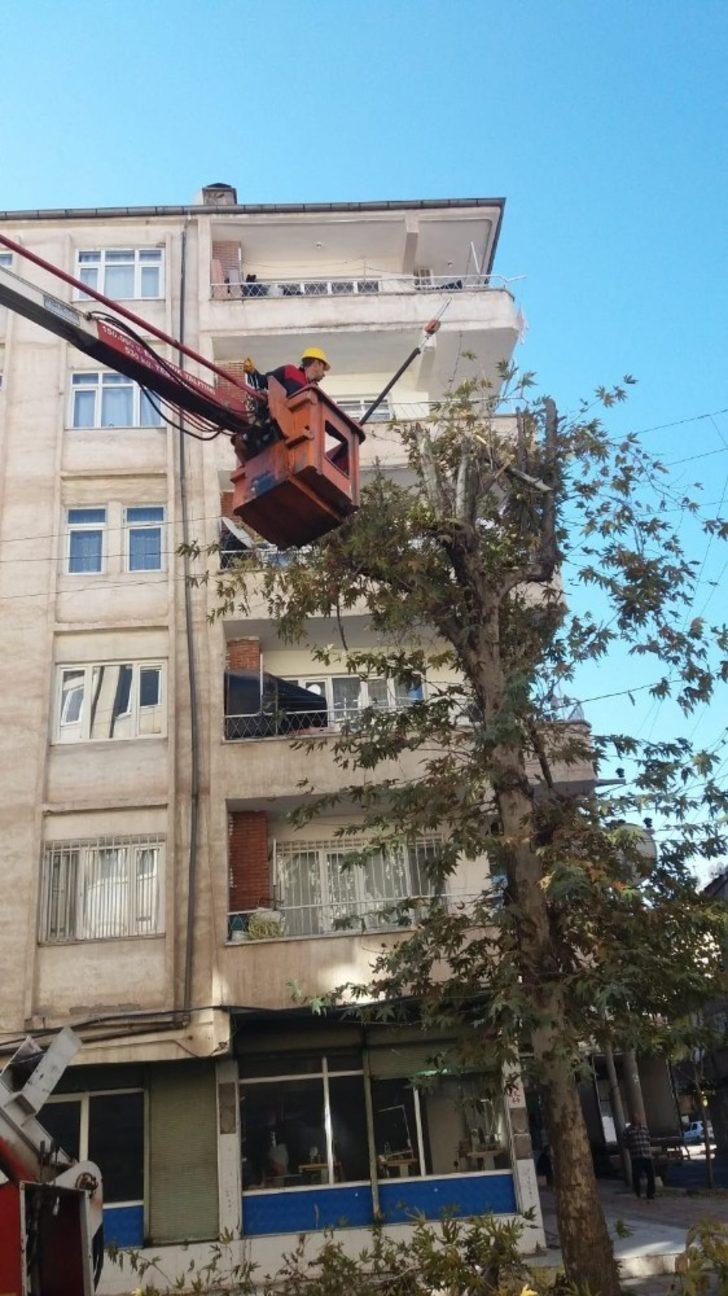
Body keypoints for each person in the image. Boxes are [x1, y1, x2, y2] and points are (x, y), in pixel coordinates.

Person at [265, 346, 330, 396]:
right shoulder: (289, 371)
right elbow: (263, 381)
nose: (324, 374)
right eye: (323, 369)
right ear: (317, 363)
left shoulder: (315, 389)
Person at [622, 1115, 656, 1199]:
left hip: (647, 1155)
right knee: (636, 1176)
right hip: (636, 1156)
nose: (636, 1120)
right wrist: (632, 1145)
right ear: (631, 1120)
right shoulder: (627, 1131)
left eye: (637, 1118)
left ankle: (650, 1193)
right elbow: (625, 1143)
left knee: (651, 1175)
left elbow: (649, 1139)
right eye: (634, 1119)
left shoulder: (644, 1128)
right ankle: (638, 1193)